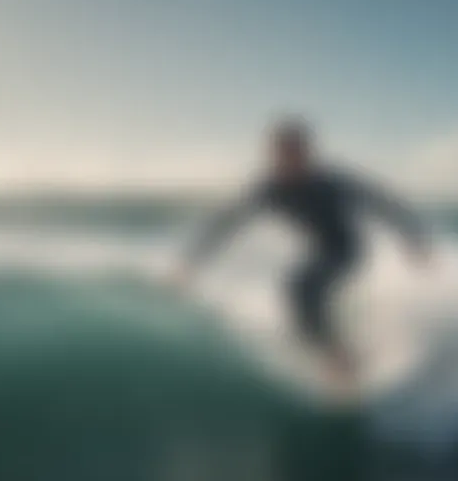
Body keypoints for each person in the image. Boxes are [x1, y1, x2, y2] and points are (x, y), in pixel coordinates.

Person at [172, 118, 431, 391]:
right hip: (320, 250)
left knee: (301, 287)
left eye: (297, 153)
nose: (291, 161)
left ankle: (340, 362)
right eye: (283, 153)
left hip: (347, 249)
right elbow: (227, 221)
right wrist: (192, 261)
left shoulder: (332, 182)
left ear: (308, 153)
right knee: (300, 302)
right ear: (274, 155)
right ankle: (345, 354)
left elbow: (382, 201)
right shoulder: (269, 187)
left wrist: (414, 238)